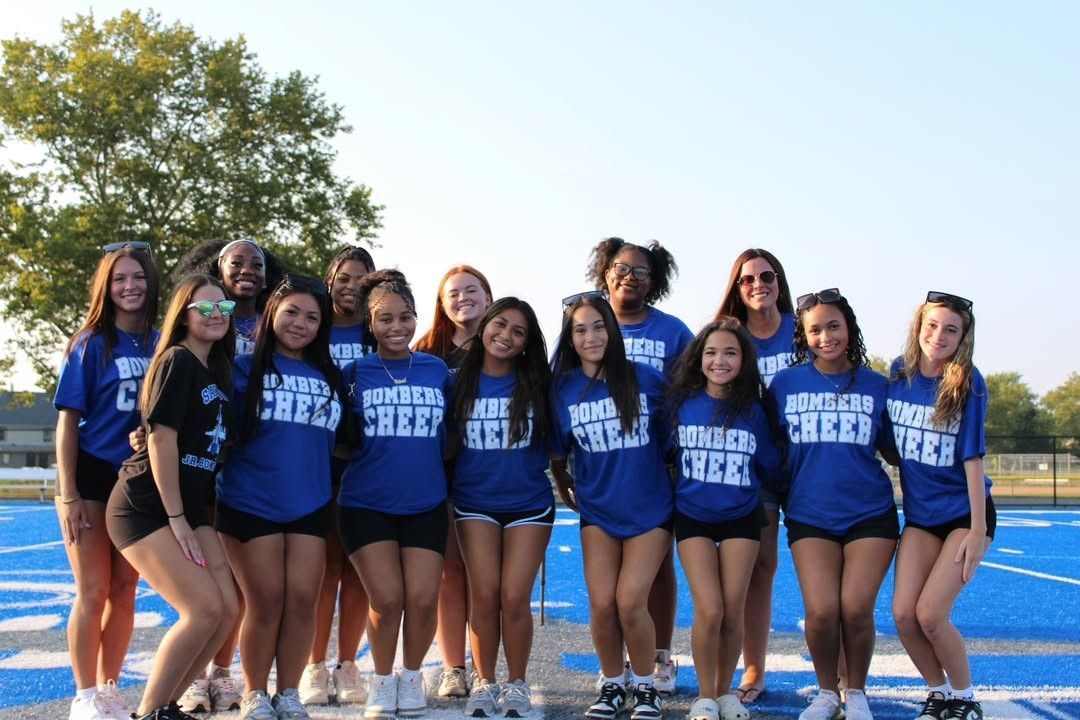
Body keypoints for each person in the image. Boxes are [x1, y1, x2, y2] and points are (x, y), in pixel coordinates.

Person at [105, 274, 240, 720]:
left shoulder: (215, 370)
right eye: (205, 308)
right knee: (201, 609)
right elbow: (162, 441)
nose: (216, 315)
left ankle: (165, 709)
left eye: (224, 308)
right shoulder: (177, 361)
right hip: (147, 506)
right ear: (183, 314)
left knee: (226, 612)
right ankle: (148, 712)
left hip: (191, 506)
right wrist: (177, 517)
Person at [216, 274, 345, 720]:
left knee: (303, 600)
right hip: (250, 501)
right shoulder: (241, 368)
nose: (300, 323)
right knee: (265, 600)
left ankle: (288, 692)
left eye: (312, 317)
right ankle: (255, 692)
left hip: (310, 503)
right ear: (272, 312)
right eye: (292, 311)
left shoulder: (329, 376)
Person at [769, 288, 898, 720]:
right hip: (809, 514)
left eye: (833, 326)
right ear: (803, 336)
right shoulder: (785, 384)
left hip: (870, 513)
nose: (825, 336)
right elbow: (768, 445)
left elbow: (899, 451)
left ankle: (856, 691)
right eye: (815, 329)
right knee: (822, 611)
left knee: (857, 608)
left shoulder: (878, 385)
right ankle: (827, 692)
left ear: (850, 328)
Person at [170, 239, 285, 712]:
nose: (247, 271)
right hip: (205, 457)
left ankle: (223, 672)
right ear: (217, 269)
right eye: (236, 263)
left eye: (256, 264)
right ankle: (196, 674)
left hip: (256, 459)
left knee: (238, 581)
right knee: (200, 574)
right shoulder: (207, 318)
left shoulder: (276, 322)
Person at [550, 294, 672, 720]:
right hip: (598, 512)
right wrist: (564, 479)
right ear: (569, 337)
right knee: (602, 603)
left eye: (599, 326)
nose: (591, 336)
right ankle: (612, 683)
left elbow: (674, 435)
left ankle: (646, 686)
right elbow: (556, 449)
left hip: (651, 511)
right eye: (580, 329)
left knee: (630, 600)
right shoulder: (562, 389)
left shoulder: (647, 379)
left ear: (612, 330)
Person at [339, 270, 452, 720]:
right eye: (385, 319)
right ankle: (381, 680)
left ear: (416, 317)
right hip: (366, 502)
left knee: (424, 599)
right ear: (371, 323)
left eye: (405, 317)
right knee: (386, 599)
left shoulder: (437, 369)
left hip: (425, 501)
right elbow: (339, 437)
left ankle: (411, 675)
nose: (397, 327)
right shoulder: (354, 372)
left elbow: (452, 436)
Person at [55, 243, 160, 720]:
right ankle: (84, 694)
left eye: (137, 277)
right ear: (106, 286)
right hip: (94, 473)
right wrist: (68, 492)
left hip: (139, 478)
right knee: (93, 589)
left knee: (125, 588)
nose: (130, 286)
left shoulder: (162, 342)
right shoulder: (91, 343)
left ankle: (110, 688)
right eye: (119, 279)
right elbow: (67, 422)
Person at [585, 238, 692, 693]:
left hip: (653, 466)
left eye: (641, 271)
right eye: (620, 268)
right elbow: (560, 389)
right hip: (604, 468)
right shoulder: (583, 322)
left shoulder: (672, 331)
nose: (629, 276)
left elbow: (690, 392)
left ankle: (660, 656)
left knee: (656, 567)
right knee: (609, 594)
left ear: (656, 281)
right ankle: (615, 666)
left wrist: (675, 457)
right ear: (604, 271)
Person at [667, 319, 783, 720]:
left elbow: (768, 463)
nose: (720, 360)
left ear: (743, 360)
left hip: (742, 518)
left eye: (730, 352)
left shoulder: (753, 410)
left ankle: (723, 692)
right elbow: (666, 456)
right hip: (693, 517)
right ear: (698, 359)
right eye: (711, 352)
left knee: (733, 609)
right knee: (710, 608)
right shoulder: (681, 405)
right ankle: (703, 695)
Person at [888, 292, 994, 720]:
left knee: (931, 614)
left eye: (951, 329)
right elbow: (888, 444)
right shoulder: (898, 373)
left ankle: (966, 698)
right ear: (918, 326)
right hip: (920, 515)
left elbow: (973, 461)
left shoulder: (967, 381)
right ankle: (938, 691)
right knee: (902, 614)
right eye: (932, 325)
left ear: (963, 337)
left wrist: (976, 530)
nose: (939, 335)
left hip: (963, 514)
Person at [450, 298, 554, 718]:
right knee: (485, 593)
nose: (506, 335)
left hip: (529, 503)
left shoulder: (538, 385)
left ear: (528, 343)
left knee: (514, 596)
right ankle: (484, 680)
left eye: (519, 331)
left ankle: (516, 682)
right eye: (500, 324)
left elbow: (558, 448)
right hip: (475, 502)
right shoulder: (455, 381)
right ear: (484, 326)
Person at [713, 248, 796, 705]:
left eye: (767, 276)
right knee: (759, 569)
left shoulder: (804, 331)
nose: (758, 284)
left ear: (779, 281)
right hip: (751, 467)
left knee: (822, 576)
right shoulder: (729, 335)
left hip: (806, 466)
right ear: (737, 288)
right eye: (747, 279)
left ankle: (842, 674)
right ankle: (754, 667)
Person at [300, 246, 377, 706]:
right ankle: (313, 665)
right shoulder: (312, 328)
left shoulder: (378, 330)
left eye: (361, 279)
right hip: (314, 461)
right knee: (321, 570)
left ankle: (348, 665)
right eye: (344, 277)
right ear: (329, 280)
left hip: (368, 462)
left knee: (357, 572)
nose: (351, 286)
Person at [414, 264, 494, 698]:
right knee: (450, 571)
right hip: (440, 473)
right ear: (442, 304)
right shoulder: (426, 351)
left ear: (487, 294)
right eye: (453, 293)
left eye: (472, 289)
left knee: (486, 577)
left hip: (493, 473)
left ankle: (485, 668)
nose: (463, 297)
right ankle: (453, 667)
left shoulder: (507, 342)